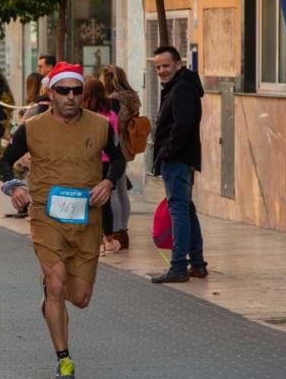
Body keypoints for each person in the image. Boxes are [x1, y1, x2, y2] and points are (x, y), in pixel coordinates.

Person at [0, 62, 125, 379]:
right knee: (56, 286)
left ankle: (52, 299)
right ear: (50, 93)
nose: (71, 97)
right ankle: (64, 361)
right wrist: (15, 186)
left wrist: (108, 183)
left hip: (86, 218)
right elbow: (4, 161)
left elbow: (119, 159)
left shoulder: (99, 126)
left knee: (79, 298)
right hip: (46, 217)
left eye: (76, 91)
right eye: (63, 91)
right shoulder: (32, 127)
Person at [150, 45, 208, 284]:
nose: (162, 71)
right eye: (158, 67)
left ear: (178, 64)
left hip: (177, 158)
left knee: (179, 210)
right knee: (186, 208)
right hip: (181, 157)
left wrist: (166, 152)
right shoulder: (180, 86)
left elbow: (183, 125)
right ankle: (197, 263)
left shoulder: (182, 88)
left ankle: (178, 266)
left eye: (166, 65)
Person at [100, 65, 141, 249]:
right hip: (127, 147)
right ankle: (123, 232)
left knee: (115, 191)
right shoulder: (132, 97)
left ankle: (116, 231)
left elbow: (113, 125)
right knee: (122, 191)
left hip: (116, 148)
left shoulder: (114, 101)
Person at [81, 76, 121, 255]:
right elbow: (115, 138)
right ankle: (109, 240)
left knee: (89, 201)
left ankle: (94, 239)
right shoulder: (110, 115)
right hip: (108, 163)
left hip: (91, 162)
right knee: (105, 203)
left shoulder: (85, 116)